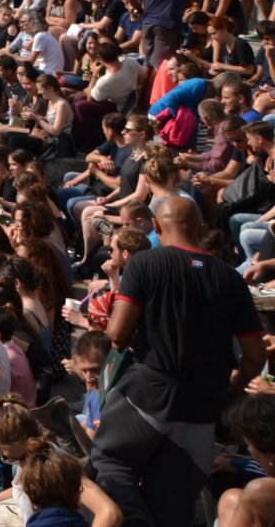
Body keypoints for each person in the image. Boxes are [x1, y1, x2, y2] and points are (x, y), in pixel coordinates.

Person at [93, 194, 264, 527]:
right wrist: (235, 385)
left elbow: (116, 333)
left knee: (110, 464)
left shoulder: (145, 263)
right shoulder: (231, 279)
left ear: (156, 226)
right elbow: (255, 356)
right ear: (201, 228)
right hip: (202, 410)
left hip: (147, 395)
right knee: (174, 506)